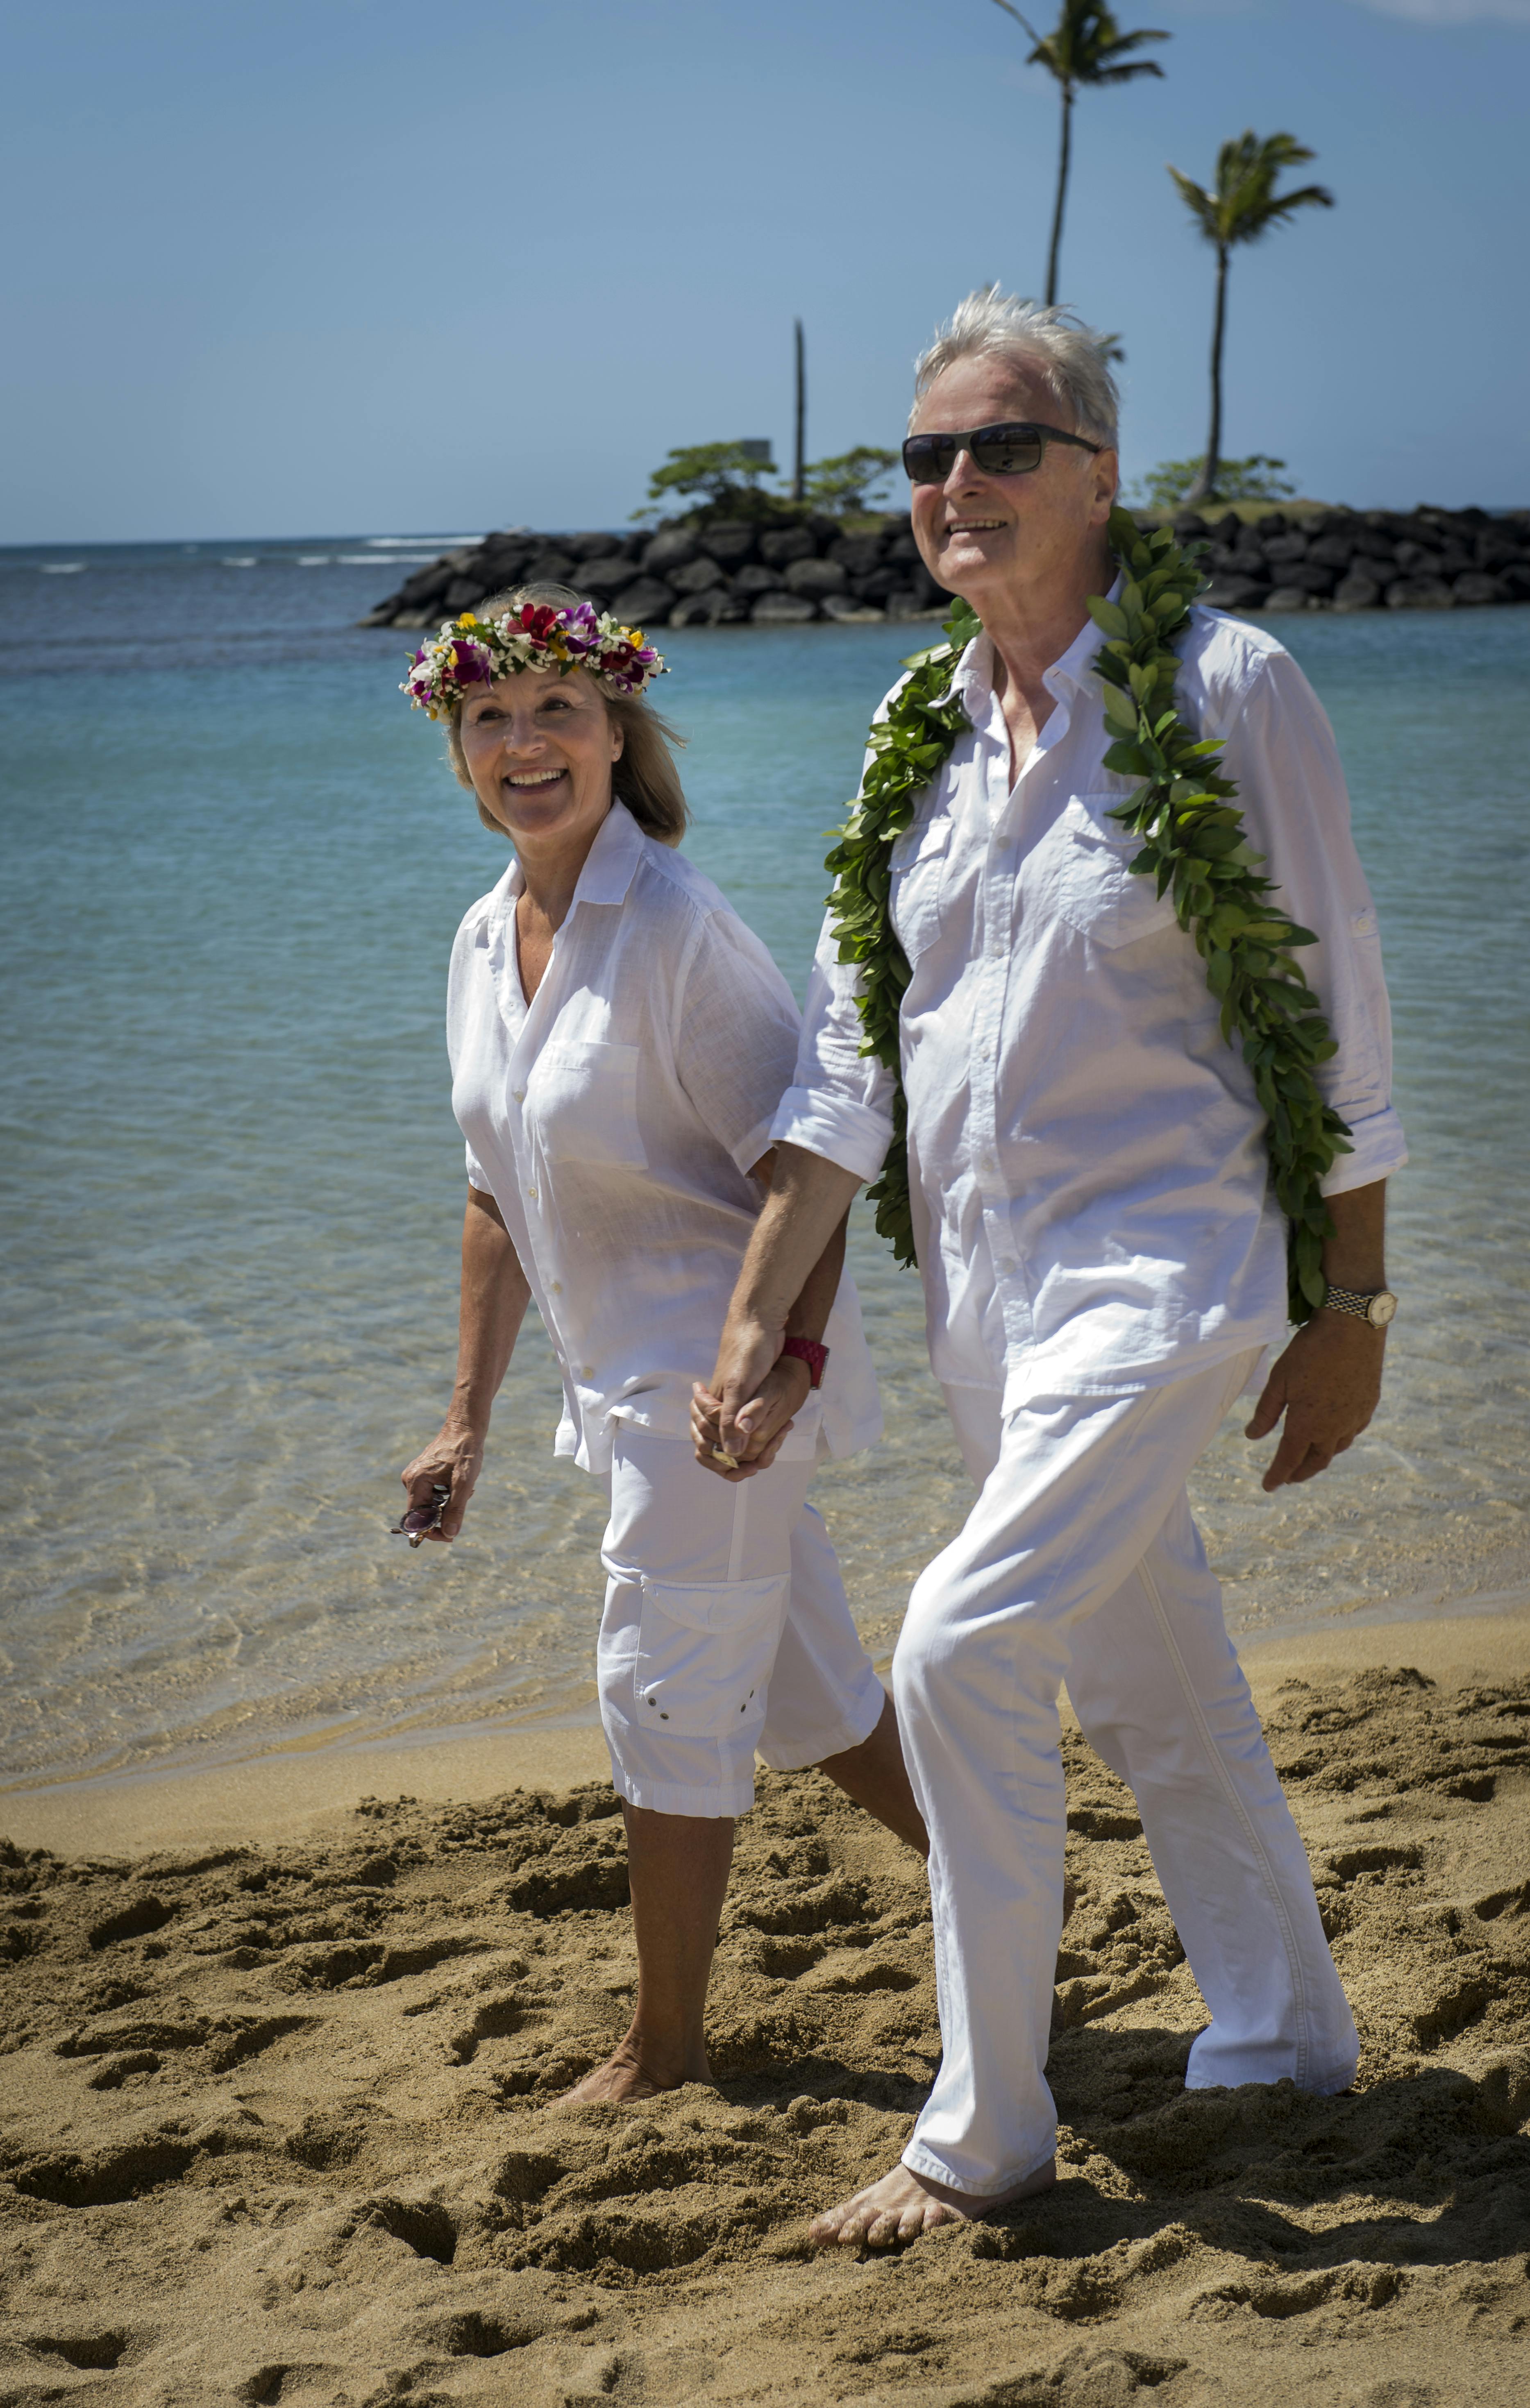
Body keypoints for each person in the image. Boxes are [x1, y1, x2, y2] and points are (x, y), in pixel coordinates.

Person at [695, 291, 1407, 2247]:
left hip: (1173, 1274)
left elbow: (1339, 1013)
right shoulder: (914, 723)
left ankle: (984, 2130)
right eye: (924, 457)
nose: (953, 485)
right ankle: (1284, 2037)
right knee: (1145, 1665)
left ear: (1098, 473)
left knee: (957, 1647)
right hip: (989, 1305)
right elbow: (858, 1057)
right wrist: (764, 1318)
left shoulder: (1226, 684)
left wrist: (1352, 1309)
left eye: (997, 446)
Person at [395, 584, 925, 2104]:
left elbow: (813, 1164)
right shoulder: (482, 937)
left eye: (558, 711)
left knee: (660, 1697)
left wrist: (793, 1374)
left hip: (721, 1401)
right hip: (617, 1400)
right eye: (489, 720)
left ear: (617, 732)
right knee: (820, 1700)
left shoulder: (682, 930)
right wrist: (466, 1422)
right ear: (461, 758)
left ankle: (668, 2044)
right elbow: (498, 1188)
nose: (524, 744)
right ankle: (1018, 1891)